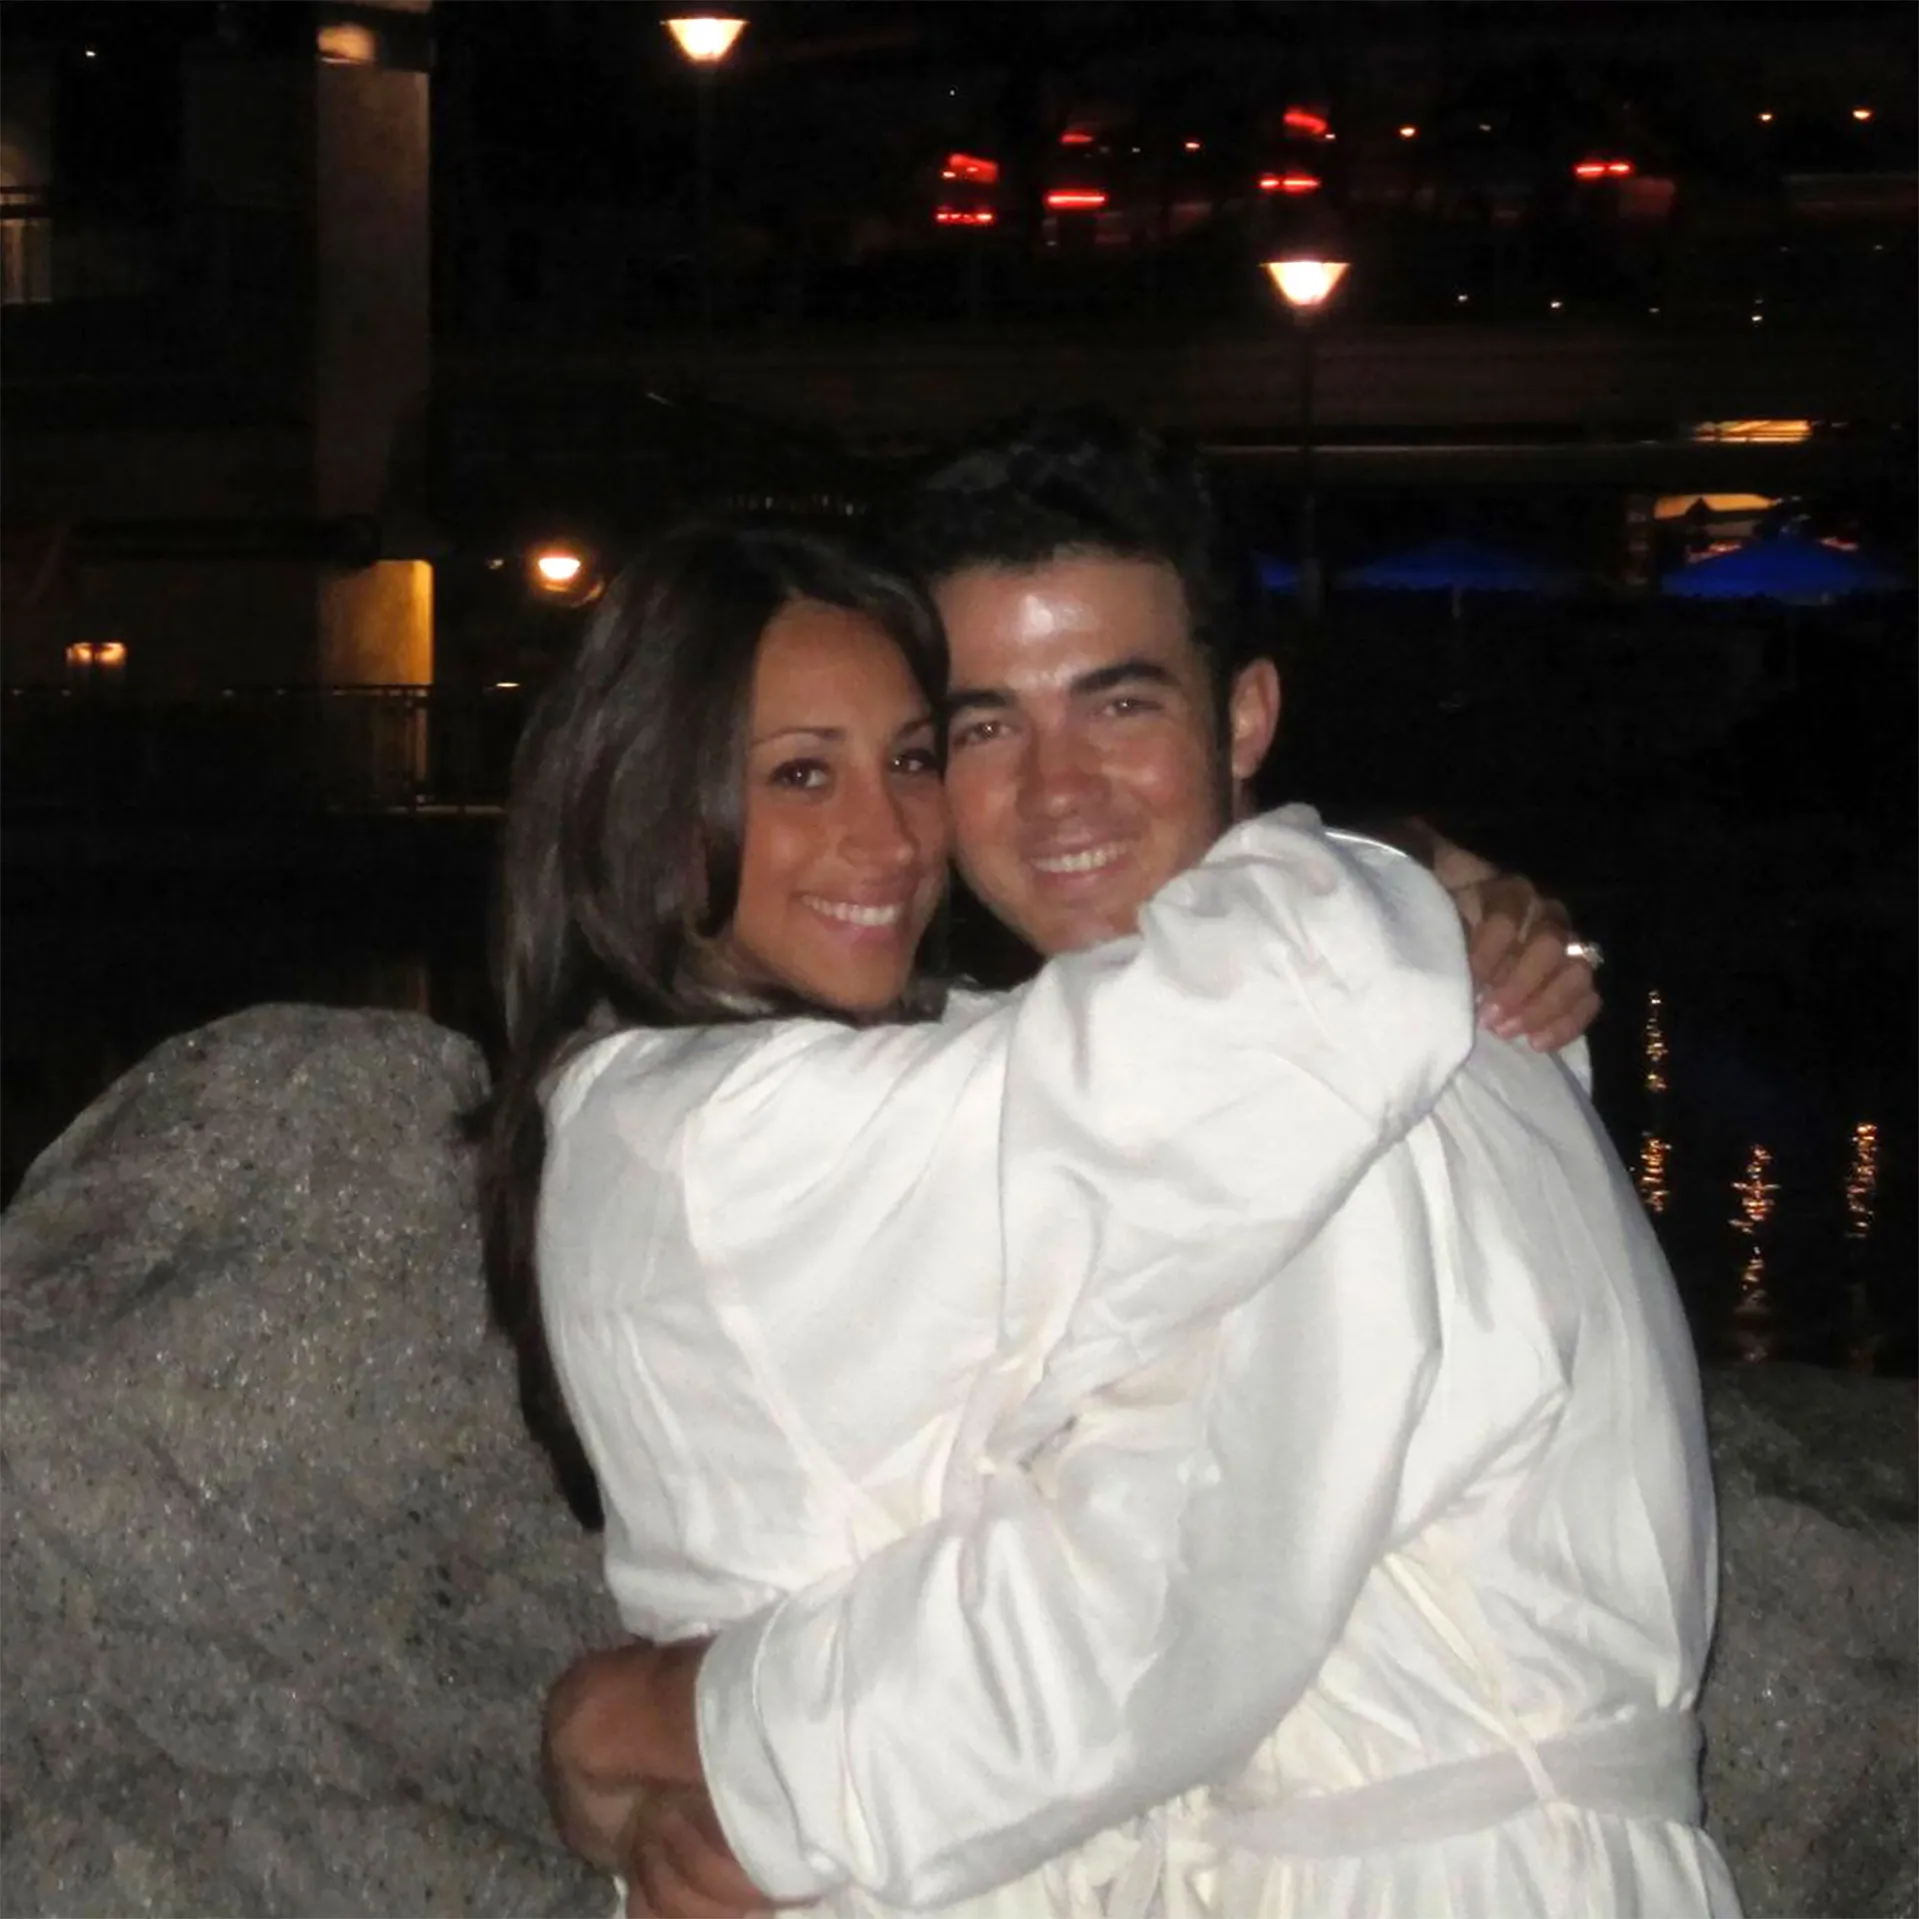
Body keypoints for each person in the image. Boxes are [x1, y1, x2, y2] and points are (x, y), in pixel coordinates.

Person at [526, 418, 1735, 1916]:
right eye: (978, 730)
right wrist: (1399, 857)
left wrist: (655, 1726)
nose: (1056, 791)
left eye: (1117, 703)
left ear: (1244, 717)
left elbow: (1131, 1622)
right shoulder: (1302, 1050)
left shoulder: (1309, 1116)